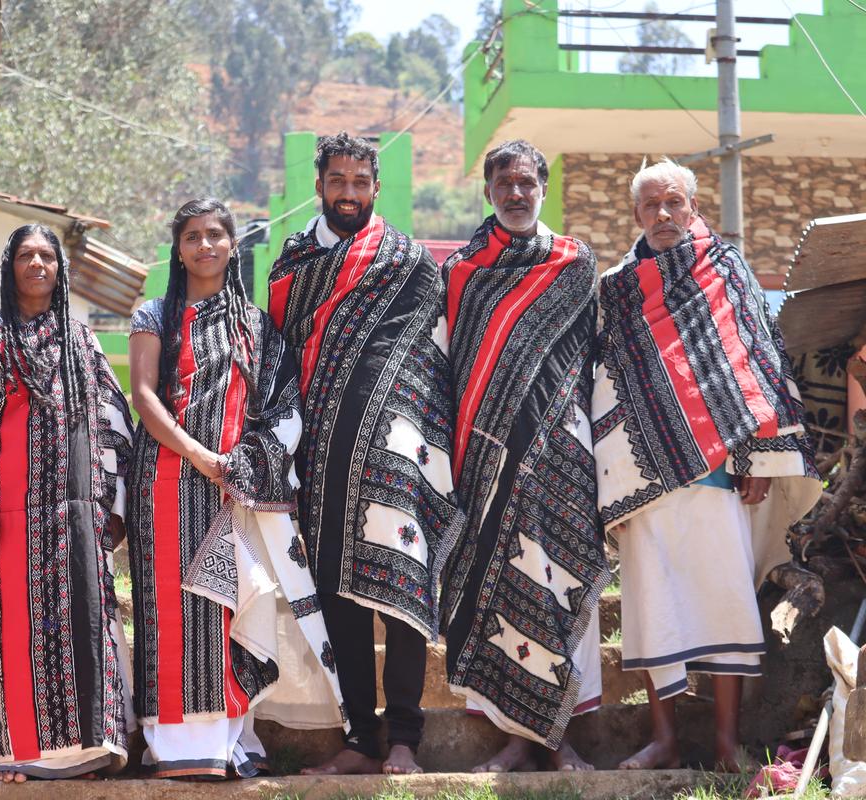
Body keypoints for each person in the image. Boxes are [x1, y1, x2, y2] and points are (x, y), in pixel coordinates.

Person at [593, 158, 821, 771]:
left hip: (722, 473)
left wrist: (759, 459)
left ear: (693, 208)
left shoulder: (726, 269)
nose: (664, 215)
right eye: (651, 206)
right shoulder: (616, 286)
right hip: (644, 477)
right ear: (635, 214)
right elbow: (609, 374)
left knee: (726, 602)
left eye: (674, 203)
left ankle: (725, 745)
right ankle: (664, 740)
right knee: (651, 606)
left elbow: (754, 360)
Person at [127, 198, 345, 780]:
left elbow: (279, 405)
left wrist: (243, 464)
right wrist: (201, 457)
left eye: (215, 235)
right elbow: (144, 396)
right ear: (178, 248)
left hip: (233, 488)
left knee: (225, 608)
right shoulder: (154, 315)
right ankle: (169, 744)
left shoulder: (255, 325)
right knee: (167, 607)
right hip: (167, 481)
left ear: (232, 245)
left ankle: (226, 739)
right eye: (193, 236)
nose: (205, 246)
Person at [269, 132, 463, 776]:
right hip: (318, 454)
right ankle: (359, 738)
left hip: (396, 453)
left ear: (375, 187)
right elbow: (278, 355)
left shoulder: (407, 259)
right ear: (319, 186)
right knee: (337, 597)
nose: (348, 192)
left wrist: (410, 431)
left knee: (402, 586)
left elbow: (430, 352)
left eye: (360, 182)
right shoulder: (293, 263)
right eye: (337, 181)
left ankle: (405, 735)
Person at [439, 140, 609, 773]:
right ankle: (517, 737)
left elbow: (593, 356)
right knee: (500, 586)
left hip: (563, 451)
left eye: (527, 183)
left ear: (543, 189)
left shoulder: (574, 263)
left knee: (556, 577)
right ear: (488, 192)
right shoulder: (461, 270)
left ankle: (558, 733)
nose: (516, 194)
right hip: (484, 461)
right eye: (504, 184)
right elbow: (448, 364)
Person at [0, 224, 135, 781]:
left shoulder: (82, 337)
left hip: (77, 512)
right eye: (26, 255)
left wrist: (114, 503)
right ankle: (14, 752)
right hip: (6, 511)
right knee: (10, 624)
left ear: (60, 268)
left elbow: (112, 419)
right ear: (10, 265)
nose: (37, 264)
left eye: (46, 256)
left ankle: (92, 748)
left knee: (84, 621)